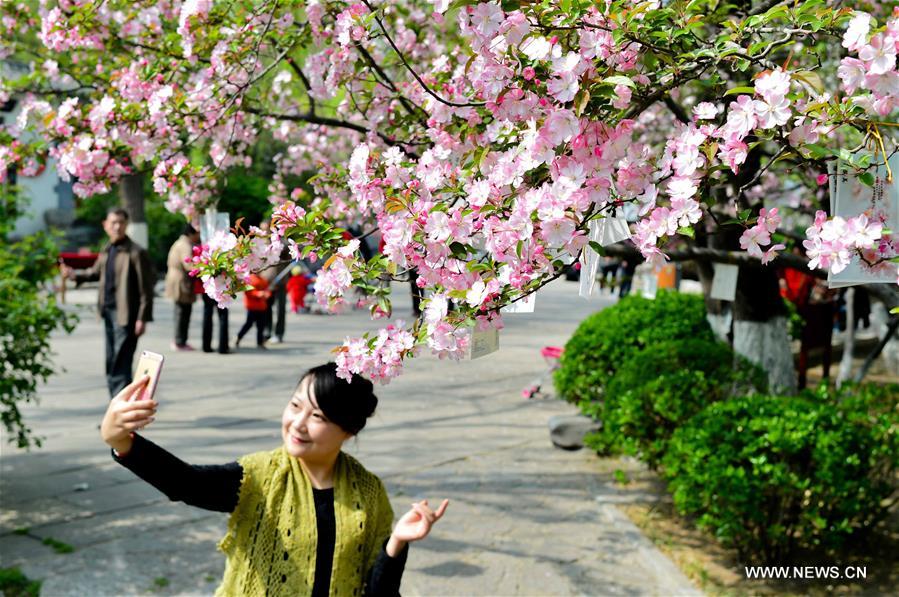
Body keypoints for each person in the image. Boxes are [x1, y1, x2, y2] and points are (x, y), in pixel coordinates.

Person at [100, 362, 448, 595]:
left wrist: (397, 543)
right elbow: (186, 483)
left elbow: (378, 592)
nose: (297, 424)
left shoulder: (369, 493)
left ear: (349, 429)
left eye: (317, 416)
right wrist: (122, 442)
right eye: (295, 406)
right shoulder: (259, 476)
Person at [61, 207, 155, 397]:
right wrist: (74, 275)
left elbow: (147, 288)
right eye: (113, 222)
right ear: (105, 225)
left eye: (121, 222)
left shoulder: (136, 252)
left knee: (121, 365)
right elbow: (95, 273)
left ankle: (120, 416)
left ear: (126, 225)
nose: (117, 226)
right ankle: (116, 411)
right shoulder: (108, 248)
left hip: (127, 315)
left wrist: (142, 318)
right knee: (111, 363)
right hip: (108, 312)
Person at [165, 224, 201, 351]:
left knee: (181, 311)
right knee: (182, 312)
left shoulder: (180, 242)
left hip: (176, 278)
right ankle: (180, 341)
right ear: (191, 233)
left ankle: (180, 340)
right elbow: (189, 265)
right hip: (181, 281)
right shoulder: (185, 245)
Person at [236, 272, 271, 349]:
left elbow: (267, 289)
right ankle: (238, 337)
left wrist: (267, 294)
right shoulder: (249, 279)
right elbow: (248, 292)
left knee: (261, 326)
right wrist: (257, 294)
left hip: (262, 307)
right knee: (248, 324)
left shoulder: (263, 279)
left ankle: (260, 342)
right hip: (252, 307)